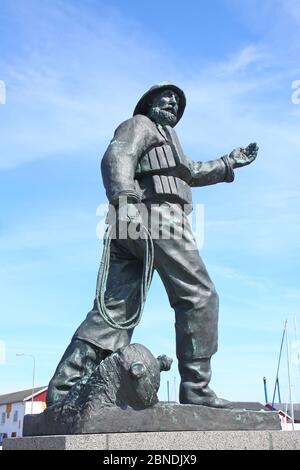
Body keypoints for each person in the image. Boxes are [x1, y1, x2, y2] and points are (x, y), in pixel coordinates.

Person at [46, 82, 258, 408]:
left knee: (116, 309)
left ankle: (64, 388)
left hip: (132, 219)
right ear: (148, 103)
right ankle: (197, 389)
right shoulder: (140, 125)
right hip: (156, 215)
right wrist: (125, 201)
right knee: (199, 295)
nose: (172, 103)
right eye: (166, 98)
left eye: (177, 102)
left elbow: (192, 172)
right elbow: (116, 156)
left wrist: (228, 162)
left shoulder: (171, 142)